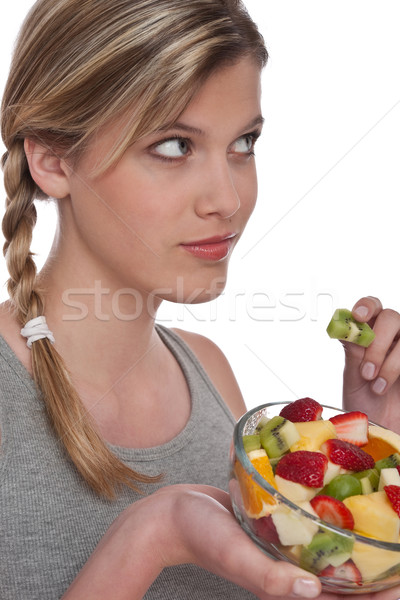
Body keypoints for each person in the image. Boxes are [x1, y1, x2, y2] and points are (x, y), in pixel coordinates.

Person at [0, 1, 400, 599]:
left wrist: (365, 464)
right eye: (174, 146)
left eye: (244, 142)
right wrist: (152, 539)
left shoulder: (209, 374)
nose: (228, 199)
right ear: (52, 159)